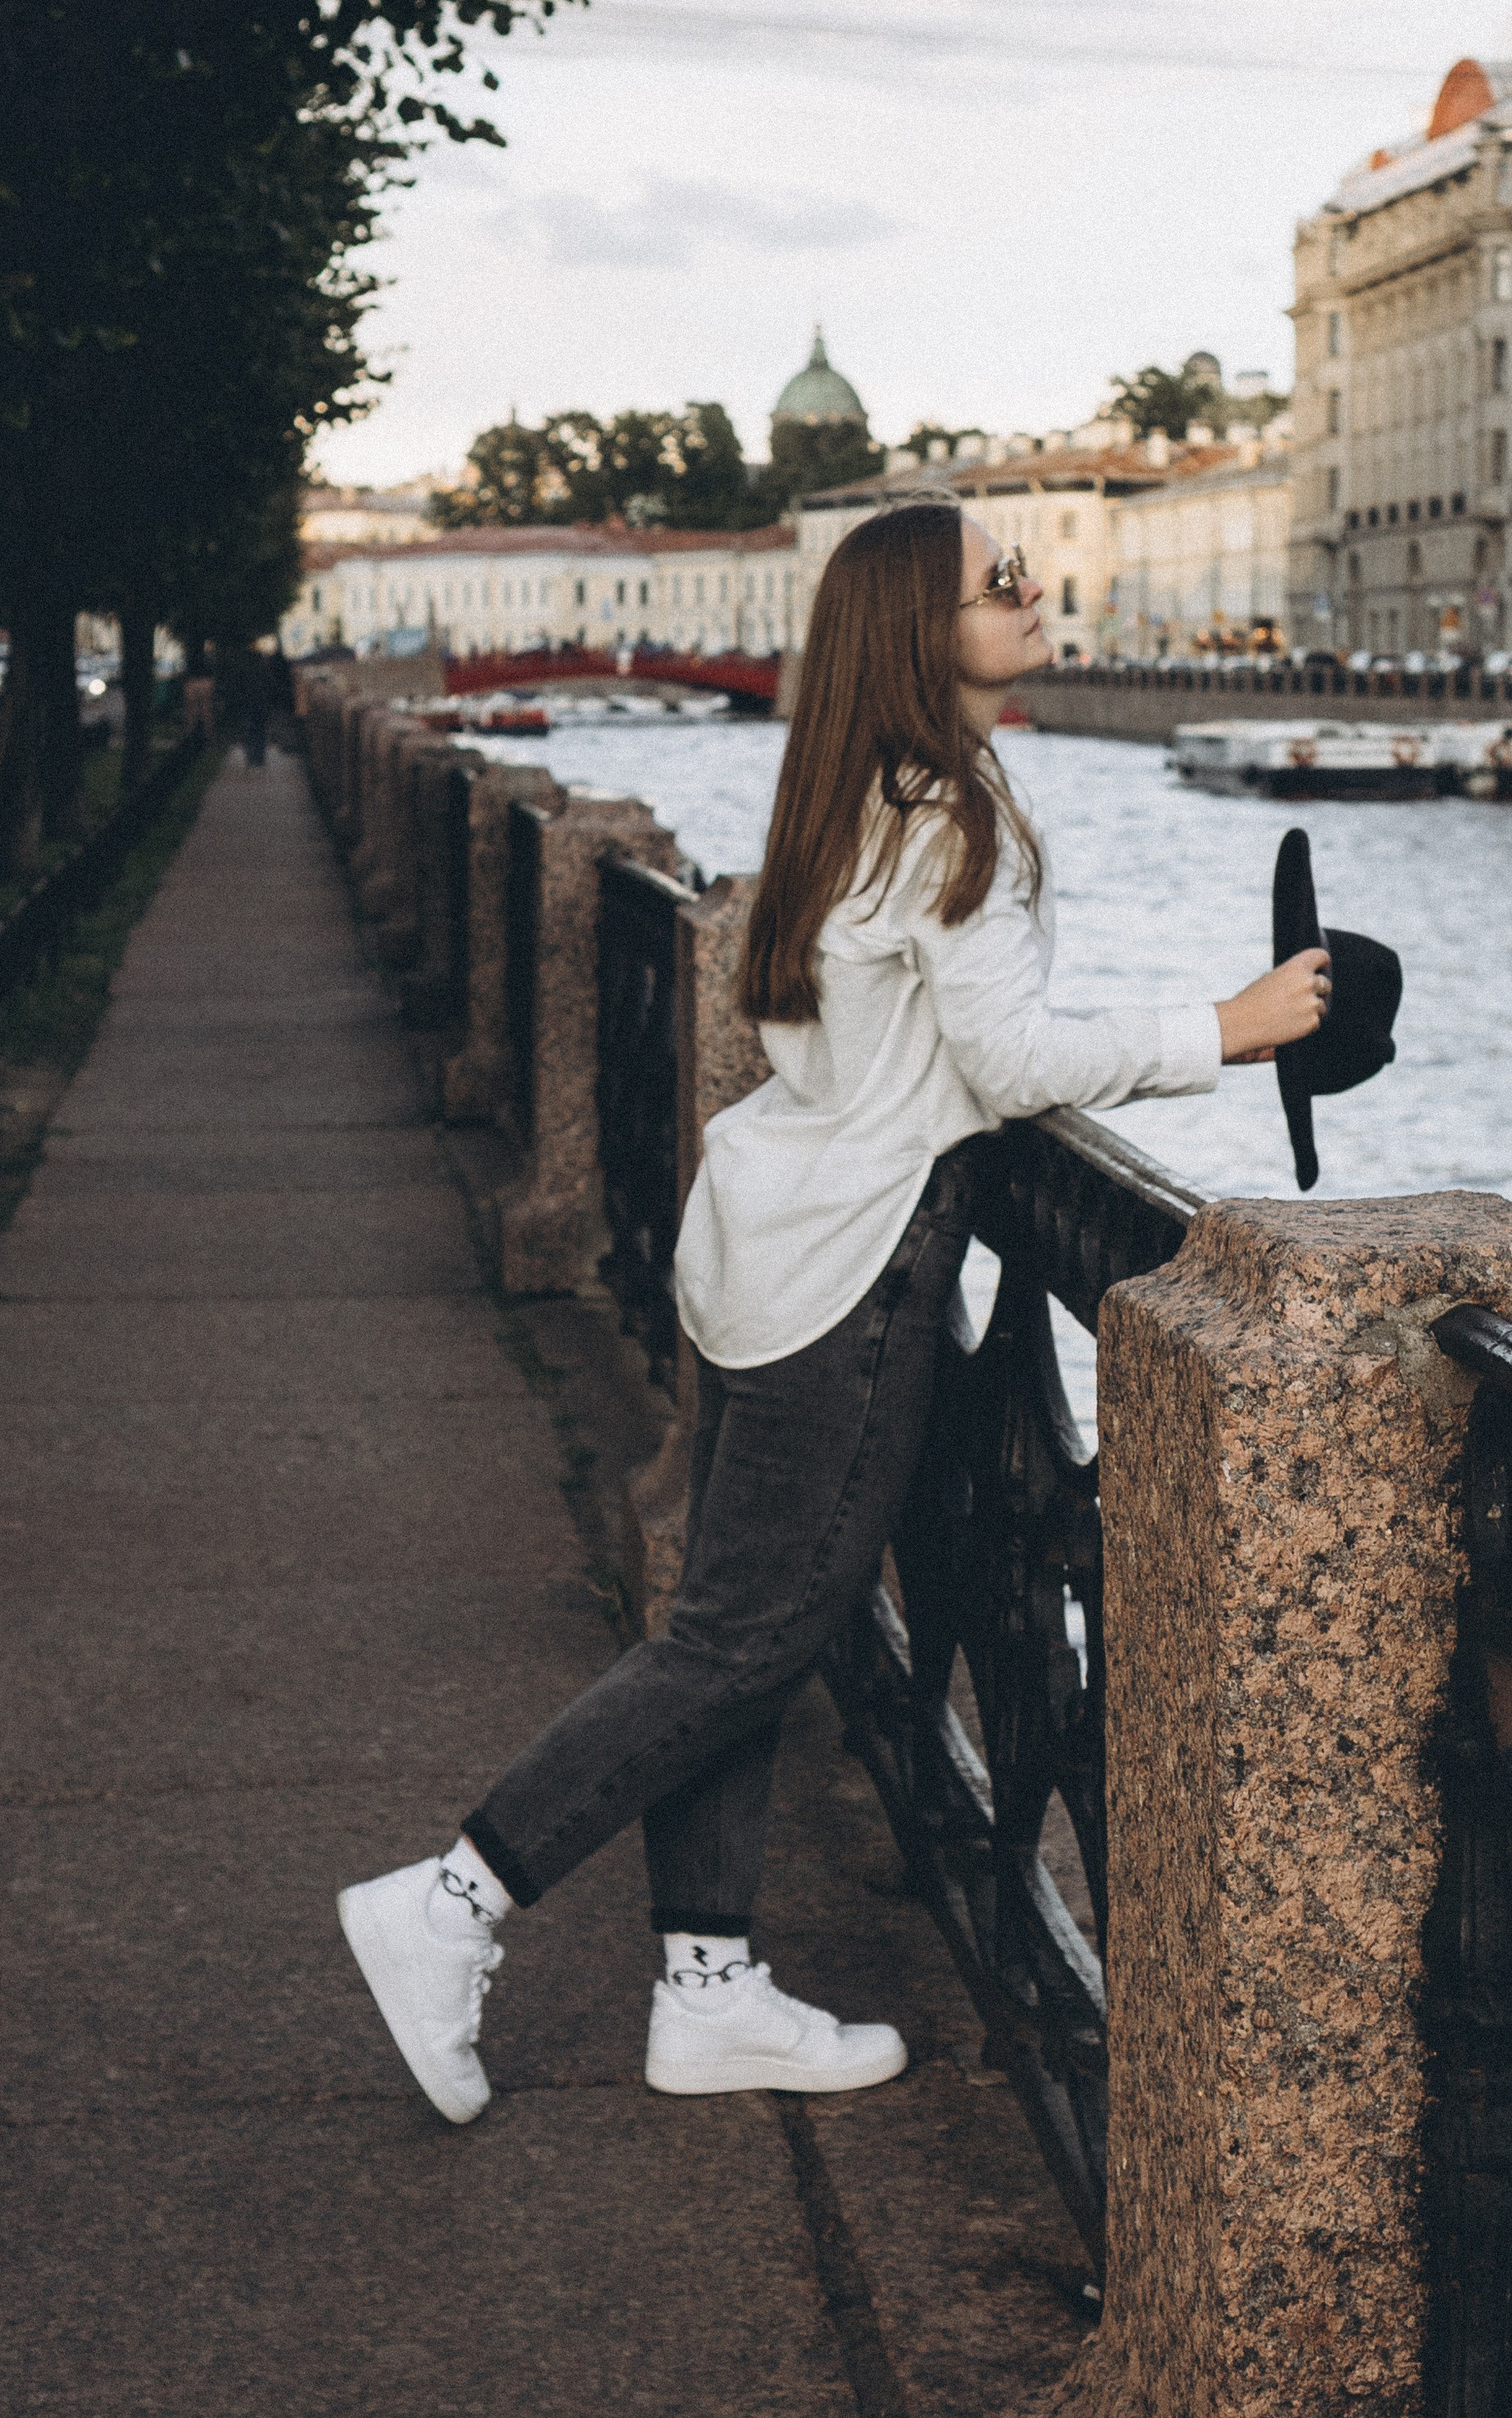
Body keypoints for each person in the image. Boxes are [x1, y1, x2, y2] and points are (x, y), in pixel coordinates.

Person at [337, 501, 1332, 2123]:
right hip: (854, 1265)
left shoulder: (850, 795)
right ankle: (451, 1901)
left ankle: (710, 1985)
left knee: (731, 1635)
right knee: (745, 1641)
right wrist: (1228, 1027)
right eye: (997, 580)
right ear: (917, 630)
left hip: (761, 1233)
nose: (1030, 592)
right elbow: (1007, 1068)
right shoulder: (956, 821)